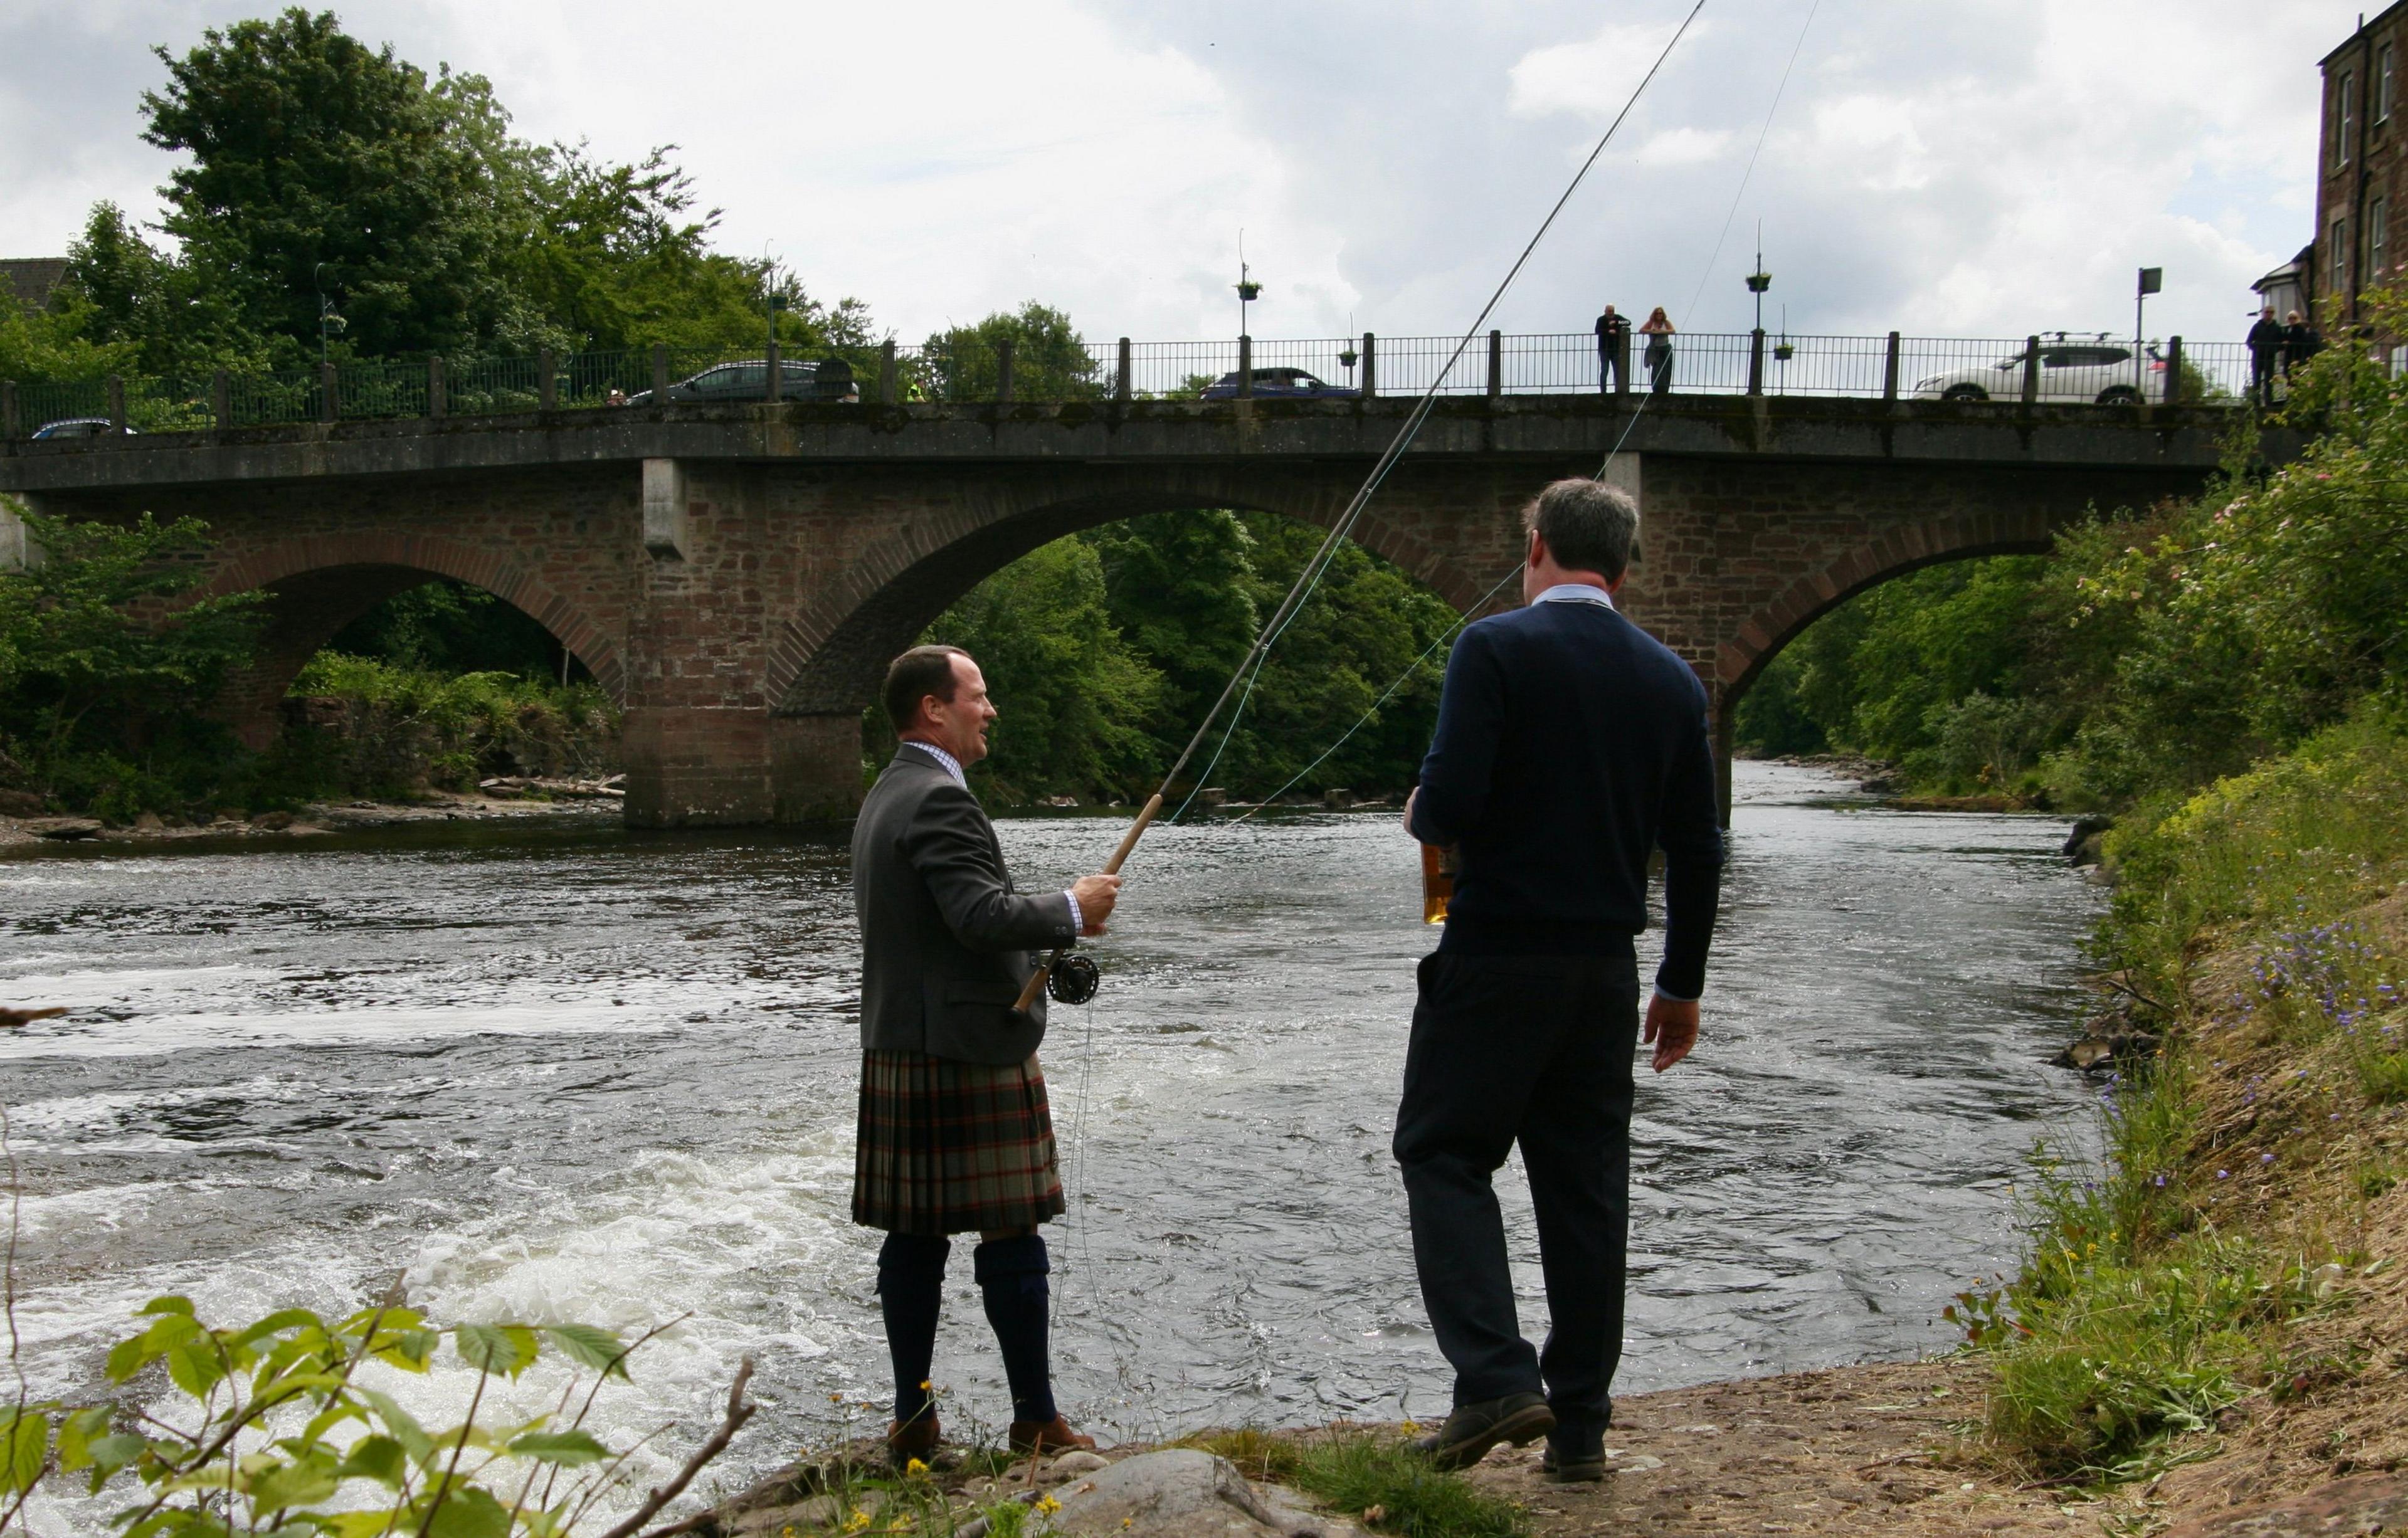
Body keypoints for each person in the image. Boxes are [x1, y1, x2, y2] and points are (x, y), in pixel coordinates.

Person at [1394, 477, 1724, 1483]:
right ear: (1622, 568)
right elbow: (1699, 850)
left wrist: (1420, 810)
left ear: (1534, 545)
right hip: (1604, 973)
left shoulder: (1493, 647)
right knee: (1586, 1193)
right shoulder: (1675, 682)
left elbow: (1447, 804)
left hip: (1495, 952)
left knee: (1444, 1153)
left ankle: (1495, 1377)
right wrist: (1681, 984)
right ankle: (1580, 1428)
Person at [851, 644, 1124, 1465]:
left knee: (913, 1237)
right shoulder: (940, 800)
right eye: (978, 694)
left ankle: (912, 1423)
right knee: (1013, 1230)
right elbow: (976, 914)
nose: (990, 708)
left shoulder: (885, 794)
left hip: (903, 1043)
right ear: (934, 708)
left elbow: (943, 921)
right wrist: (1071, 908)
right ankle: (1035, 1421)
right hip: (963, 1049)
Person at [2247, 306, 2284, 408]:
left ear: (2274, 314)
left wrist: (2273, 349)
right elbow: (2249, 341)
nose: (2269, 314)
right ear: (2263, 313)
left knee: (2269, 381)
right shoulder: (2257, 326)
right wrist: (2257, 349)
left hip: (2270, 357)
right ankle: (2256, 403)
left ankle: (2269, 403)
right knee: (2257, 381)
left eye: (2271, 312)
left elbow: (2281, 343)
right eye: (2267, 312)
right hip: (2258, 357)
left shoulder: (2277, 328)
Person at [1594, 305, 1631, 394]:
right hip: (1604, 349)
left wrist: (1616, 323)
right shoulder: (1601, 320)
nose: (1611, 313)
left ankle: (1618, 390)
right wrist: (1608, 331)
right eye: (1609, 311)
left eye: (1612, 311)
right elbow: (1597, 330)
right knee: (1604, 370)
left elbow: (1628, 322)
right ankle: (1603, 391)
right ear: (1605, 311)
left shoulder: (1618, 318)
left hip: (1616, 349)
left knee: (1617, 370)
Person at [1638, 307, 1676, 395]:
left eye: (1660, 313)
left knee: (1666, 369)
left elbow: (1673, 331)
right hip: (1655, 348)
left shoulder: (1666, 323)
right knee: (1656, 369)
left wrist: (1661, 332)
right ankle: (1656, 389)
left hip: (1666, 348)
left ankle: (1665, 390)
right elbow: (1641, 330)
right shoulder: (1651, 323)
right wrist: (1652, 331)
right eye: (1657, 314)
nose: (1659, 315)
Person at [2283, 310, 2323, 381]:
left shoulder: (2299, 328)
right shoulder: (2287, 329)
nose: (2292, 320)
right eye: (2290, 318)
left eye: (2294, 318)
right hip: (2289, 356)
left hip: (2297, 356)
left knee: (2295, 377)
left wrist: (2289, 342)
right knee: (2290, 377)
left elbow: (2301, 340)